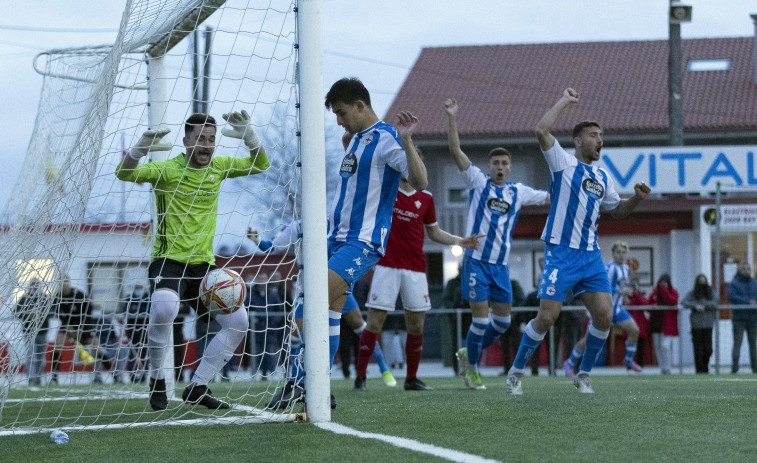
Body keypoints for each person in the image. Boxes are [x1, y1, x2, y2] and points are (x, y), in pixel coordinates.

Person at [270, 77, 427, 408]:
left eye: (342, 113)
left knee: (310, 304)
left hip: (362, 243)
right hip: (335, 240)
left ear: (360, 105)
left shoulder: (386, 139)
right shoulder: (355, 141)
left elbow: (420, 181)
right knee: (327, 313)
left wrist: (408, 140)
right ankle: (317, 387)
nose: (339, 121)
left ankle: (299, 382)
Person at [116, 110, 269, 410]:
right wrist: (138, 149)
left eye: (211, 139)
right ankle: (158, 379)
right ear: (186, 140)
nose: (206, 145)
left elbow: (261, 163)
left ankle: (198, 386)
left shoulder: (220, 166)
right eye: (199, 138)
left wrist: (250, 136)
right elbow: (124, 173)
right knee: (164, 309)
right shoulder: (167, 170)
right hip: (168, 261)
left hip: (204, 267)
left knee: (239, 322)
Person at [506, 88, 651, 395]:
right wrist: (565, 101)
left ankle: (583, 374)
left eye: (601, 135)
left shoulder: (603, 178)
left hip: (590, 255)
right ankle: (516, 373)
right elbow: (540, 130)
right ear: (578, 141)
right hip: (560, 252)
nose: (600, 140)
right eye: (594, 135)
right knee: (547, 317)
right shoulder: (562, 162)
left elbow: (619, 213)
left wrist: (636, 199)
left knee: (604, 315)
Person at [444, 98, 549, 390]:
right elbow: (455, 151)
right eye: (496, 163)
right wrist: (452, 117)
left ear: (510, 168)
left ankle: (468, 353)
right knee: (479, 322)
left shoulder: (519, 192)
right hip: (476, 261)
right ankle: (472, 370)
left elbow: (550, 198)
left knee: (502, 324)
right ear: (488, 167)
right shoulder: (478, 182)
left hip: (500, 266)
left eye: (504, 163)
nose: (500, 167)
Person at [354, 170, 481, 392]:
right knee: (374, 322)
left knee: (416, 324)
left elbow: (434, 232)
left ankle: (411, 379)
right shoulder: (387, 190)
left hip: (415, 269)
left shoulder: (426, 198)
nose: (408, 169)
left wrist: (460, 241)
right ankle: (361, 377)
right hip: (386, 266)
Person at [563, 241, 643, 376]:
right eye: (618, 252)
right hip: (605, 308)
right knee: (589, 338)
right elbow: (601, 288)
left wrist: (627, 295)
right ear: (613, 253)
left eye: (623, 253)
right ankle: (569, 362)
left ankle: (628, 361)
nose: (621, 255)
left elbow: (621, 288)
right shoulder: (608, 268)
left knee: (634, 330)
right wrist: (619, 290)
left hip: (618, 309)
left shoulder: (625, 268)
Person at [51, 277, 92, 384]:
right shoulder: (57, 297)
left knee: (96, 346)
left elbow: (88, 311)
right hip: (67, 325)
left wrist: (79, 327)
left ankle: (112, 375)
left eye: (65, 281)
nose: (63, 284)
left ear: (68, 282)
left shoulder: (79, 295)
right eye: (61, 282)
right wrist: (68, 326)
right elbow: (58, 314)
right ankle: (54, 377)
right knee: (57, 344)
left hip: (82, 325)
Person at [14, 279, 51, 385]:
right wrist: (28, 313)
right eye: (33, 284)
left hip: (42, 331)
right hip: (28, 331)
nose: (35, 286)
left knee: (40, 356)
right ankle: (31, 377)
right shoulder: (24, 298)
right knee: (30, 355)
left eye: (37, 284)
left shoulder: (44, 297)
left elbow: (51, 311)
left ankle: (38, 377)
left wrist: (39, 313)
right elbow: (16, 312)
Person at [681, 274, 718, 374]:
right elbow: (684, 302)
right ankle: (700, 370)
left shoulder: (710, 292)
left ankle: (705, 366)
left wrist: (704, 305)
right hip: (696, 325)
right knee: (698, 348)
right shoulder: (693, 293)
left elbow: (715, 302)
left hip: (708, 324)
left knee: (708, 348)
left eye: (704, 281)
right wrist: (695, 306)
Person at [725, 261, 757, 373]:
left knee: (753, 344)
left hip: (753, 318)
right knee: (737, 344)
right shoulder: (734, 284)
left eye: (748, 269)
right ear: (739, 270)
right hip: (739, 319)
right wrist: (748, 302)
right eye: (744, 269)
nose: (747, 271)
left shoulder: (754, 283)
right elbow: (730, 296)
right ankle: (734, 368)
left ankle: (755, 368)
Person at [648, 274, 679, 375]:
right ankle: (662, 368)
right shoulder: (654, 293)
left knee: (665, 346)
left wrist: (664, 290)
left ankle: (667, 368)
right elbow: (647, 304)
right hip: (656, 323)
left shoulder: (673, 292)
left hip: (667, 324)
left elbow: (671, 301)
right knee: (658, 347)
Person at [441, 263, 469, 375]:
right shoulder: (452, 283)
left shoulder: (472, 282)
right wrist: (455, 308)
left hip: (471, 317)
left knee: (471, 343)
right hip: (456, 319)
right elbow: (446, 300)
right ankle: (458, 368)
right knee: (457, 344)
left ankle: (470, 367)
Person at [123, 284, 150, 382]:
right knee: (132, 352)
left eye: (140, 287)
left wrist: (137, 309)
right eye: (136, 288)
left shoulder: (148, 297)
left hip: (145, 328)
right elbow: (126, 310)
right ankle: (132, 374)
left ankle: (144, 375)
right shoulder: (129, 298)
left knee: (144, 352)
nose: (138, 290)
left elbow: (149, 309)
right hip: (132, 328)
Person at [625, 276, 650, 366]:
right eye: (632, 286)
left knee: (640, 348)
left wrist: (638, 293)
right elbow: (625, 304)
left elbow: (646, 305)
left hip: (640, 325)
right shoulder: (627, 297)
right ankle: (629, 365)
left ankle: (640, 366)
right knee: (630, 347)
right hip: (629, 324)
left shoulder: (640, 296)